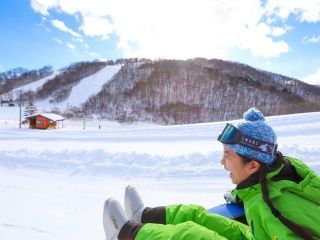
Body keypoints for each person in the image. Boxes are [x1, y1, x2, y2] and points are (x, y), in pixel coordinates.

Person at [103, 108, 320, 240]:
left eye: (228, 156)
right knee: (201, 217)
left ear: (253, 166)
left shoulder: (274, 208)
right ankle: (145, 215)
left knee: (193, 236)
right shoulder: (276, 173)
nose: (222, 162)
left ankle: (128, 235)